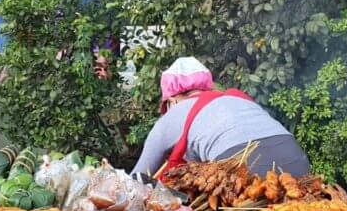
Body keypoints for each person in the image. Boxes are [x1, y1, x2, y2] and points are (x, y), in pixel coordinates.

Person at [131, 57, 310, 181]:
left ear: (172, 98)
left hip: (244, 167)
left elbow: (139, 177)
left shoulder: (172, 115)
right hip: (295, 156)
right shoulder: (234, 99)